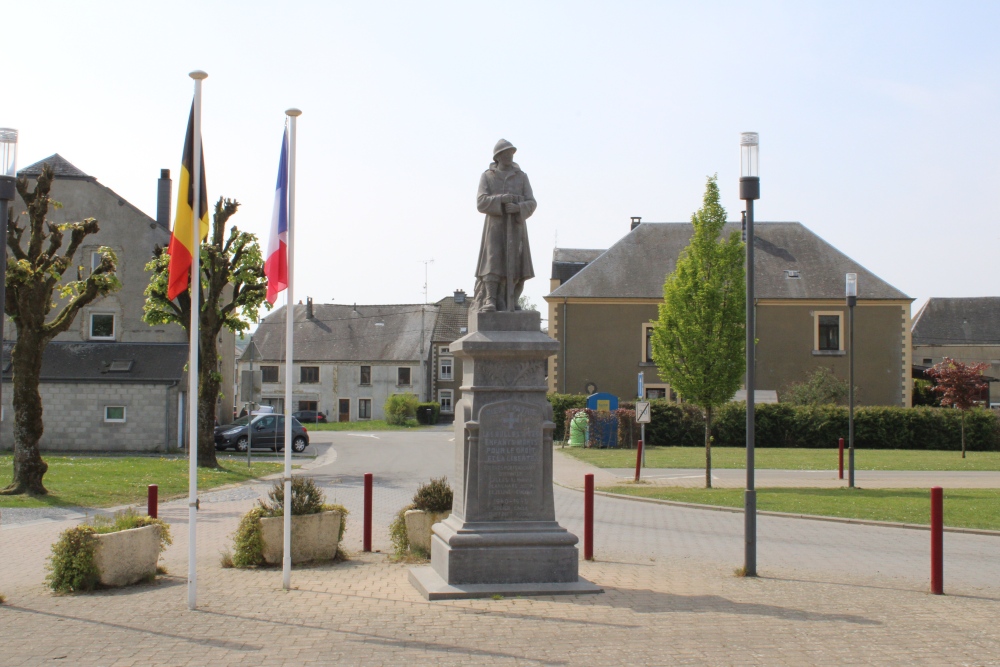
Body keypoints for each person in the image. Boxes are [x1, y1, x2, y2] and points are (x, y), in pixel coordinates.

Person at [474, 139, 537, 312]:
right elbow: (480, 202)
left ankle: (513, 300)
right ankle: (490, 300)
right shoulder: (487, 176)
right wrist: (500, 199)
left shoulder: (521, 177)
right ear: (498, 156)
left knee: (517, 264)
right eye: (506, 153)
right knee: (492, 262)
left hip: (516, 227)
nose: (509, 156)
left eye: (511, 153)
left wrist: (518, 208)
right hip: (495, 226)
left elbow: (532, 202)